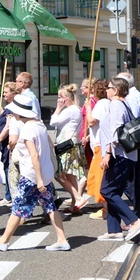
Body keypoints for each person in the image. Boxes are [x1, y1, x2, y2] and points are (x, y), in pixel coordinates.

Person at [0, 94, 70, 252]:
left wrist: (38, 180)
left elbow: (34, 155)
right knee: (50, 207)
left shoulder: (27, 130)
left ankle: (3, 241)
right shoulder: (39, 125)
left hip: (32, 176)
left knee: (18, 208)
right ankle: (61, 239)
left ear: (19, 113)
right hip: (45, 174)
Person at [98, 77, 140, 242]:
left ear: (116, 90)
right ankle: (113, 230)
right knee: (115, 191)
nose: (107, 90)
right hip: (128, 154)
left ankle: (134, 221)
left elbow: (116, 131)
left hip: (118, 154)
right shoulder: (125, 103)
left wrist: (107, 153)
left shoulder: (116, 104)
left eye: (110, 87)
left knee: (107, 190)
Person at [116, 72, 140, 219]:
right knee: (133, 180)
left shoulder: (132, 98)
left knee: (131, 180)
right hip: (137, 142)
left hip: (134, 143)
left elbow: (131, 123)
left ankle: (138, 212)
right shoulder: (135, 96)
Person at [49, 83, 85, 213]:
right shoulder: (75, 109)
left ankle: (78, 197)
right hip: (71, 145)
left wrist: (58, 108)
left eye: (61, 97)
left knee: (58, 175)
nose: (59, 100)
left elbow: (53, 122)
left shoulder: (70, 110)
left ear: (68, 98)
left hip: (67, 146)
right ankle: (75, 205)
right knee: (70, 177)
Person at [85, 79, 110, 220]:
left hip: (100, 145)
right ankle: (106, 208)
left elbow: (91, 121)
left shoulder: (101, 104)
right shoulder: (107, 103)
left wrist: (88, 108)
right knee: (98, 176)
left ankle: (106, 209)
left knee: (99, 178)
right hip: (99, 143)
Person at [0, 81, 17, 207]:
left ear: (14, 93)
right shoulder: (8, 107)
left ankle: (10, 195)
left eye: (6, 92)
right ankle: (8, 194)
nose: (3, 94)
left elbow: (8, 126)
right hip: (4, 143)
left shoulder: (12, 108)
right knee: (6, 167)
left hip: (9, 141)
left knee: (9, 169)